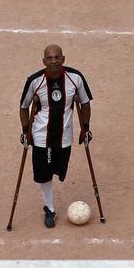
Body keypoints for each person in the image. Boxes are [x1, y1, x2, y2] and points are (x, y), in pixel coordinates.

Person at [19, 44, 93, 228]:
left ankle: (53, 187)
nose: (54, 61)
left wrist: (86, 128)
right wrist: (25, 131)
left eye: (57, 57)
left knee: (60, 171)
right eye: (50, 58)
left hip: (64, 136)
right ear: (44, 61)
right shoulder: (35, 81)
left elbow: (85, 103)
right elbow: (24, 107)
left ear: (63, 59)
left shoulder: (75, 77)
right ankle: (49, 208)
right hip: (41, 136)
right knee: (44, 175)